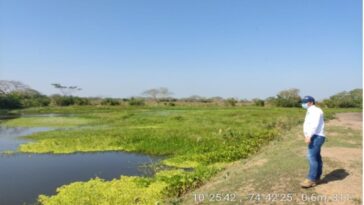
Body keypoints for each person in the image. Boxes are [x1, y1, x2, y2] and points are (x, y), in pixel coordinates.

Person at [300, 96, 325, 188]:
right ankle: (317, 178)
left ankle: (311, 179)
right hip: (315, 136)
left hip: (316, 136)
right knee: (316, 157)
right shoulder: (310, 111)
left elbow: (314, 125)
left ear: (310, 102)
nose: (303, 104)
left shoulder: (316, 111)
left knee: (311, 157)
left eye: (304, 102)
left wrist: (309, 136)